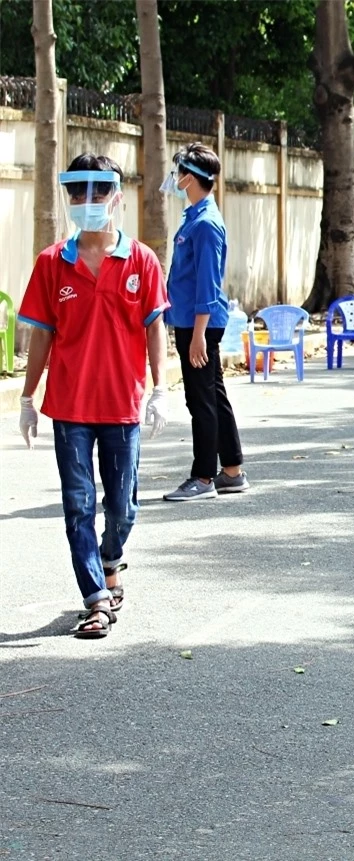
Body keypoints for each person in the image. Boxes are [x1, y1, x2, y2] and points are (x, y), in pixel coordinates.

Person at [17, 153, 170, 638]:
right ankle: (96, 599)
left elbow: (154, 327)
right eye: (77, 192)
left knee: (122, 505)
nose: (87, 202)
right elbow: (40, 333)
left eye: (98, 191)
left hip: (122, 403)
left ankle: (112, 558)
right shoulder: (51, 264)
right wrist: (26, 396)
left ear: (116, 197)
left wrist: (161, 388)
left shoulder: (141, 260)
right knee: (79, 504)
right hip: (70, 406)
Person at [161, 143, 247, 501]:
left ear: (190, 178)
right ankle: (232, 470)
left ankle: (203, 477)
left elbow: (207, 284)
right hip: (192, 320)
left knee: (201, 401)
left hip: (200, 323)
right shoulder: (194, 215)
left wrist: (197, 335)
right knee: (214, 395)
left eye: (179, 169)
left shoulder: (207, 224)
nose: (174, 175)